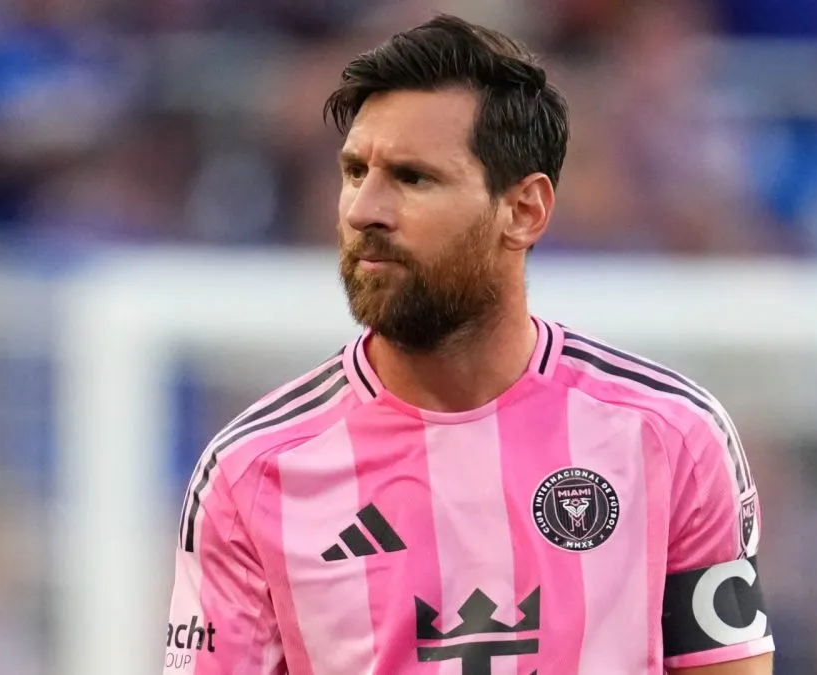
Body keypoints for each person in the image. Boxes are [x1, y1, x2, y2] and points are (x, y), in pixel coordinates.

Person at [164, 14, 774, 675]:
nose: (364, 208)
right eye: (355, 171)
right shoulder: (251, 473)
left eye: (413, 177)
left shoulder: (671, 437)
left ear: (524, 210)